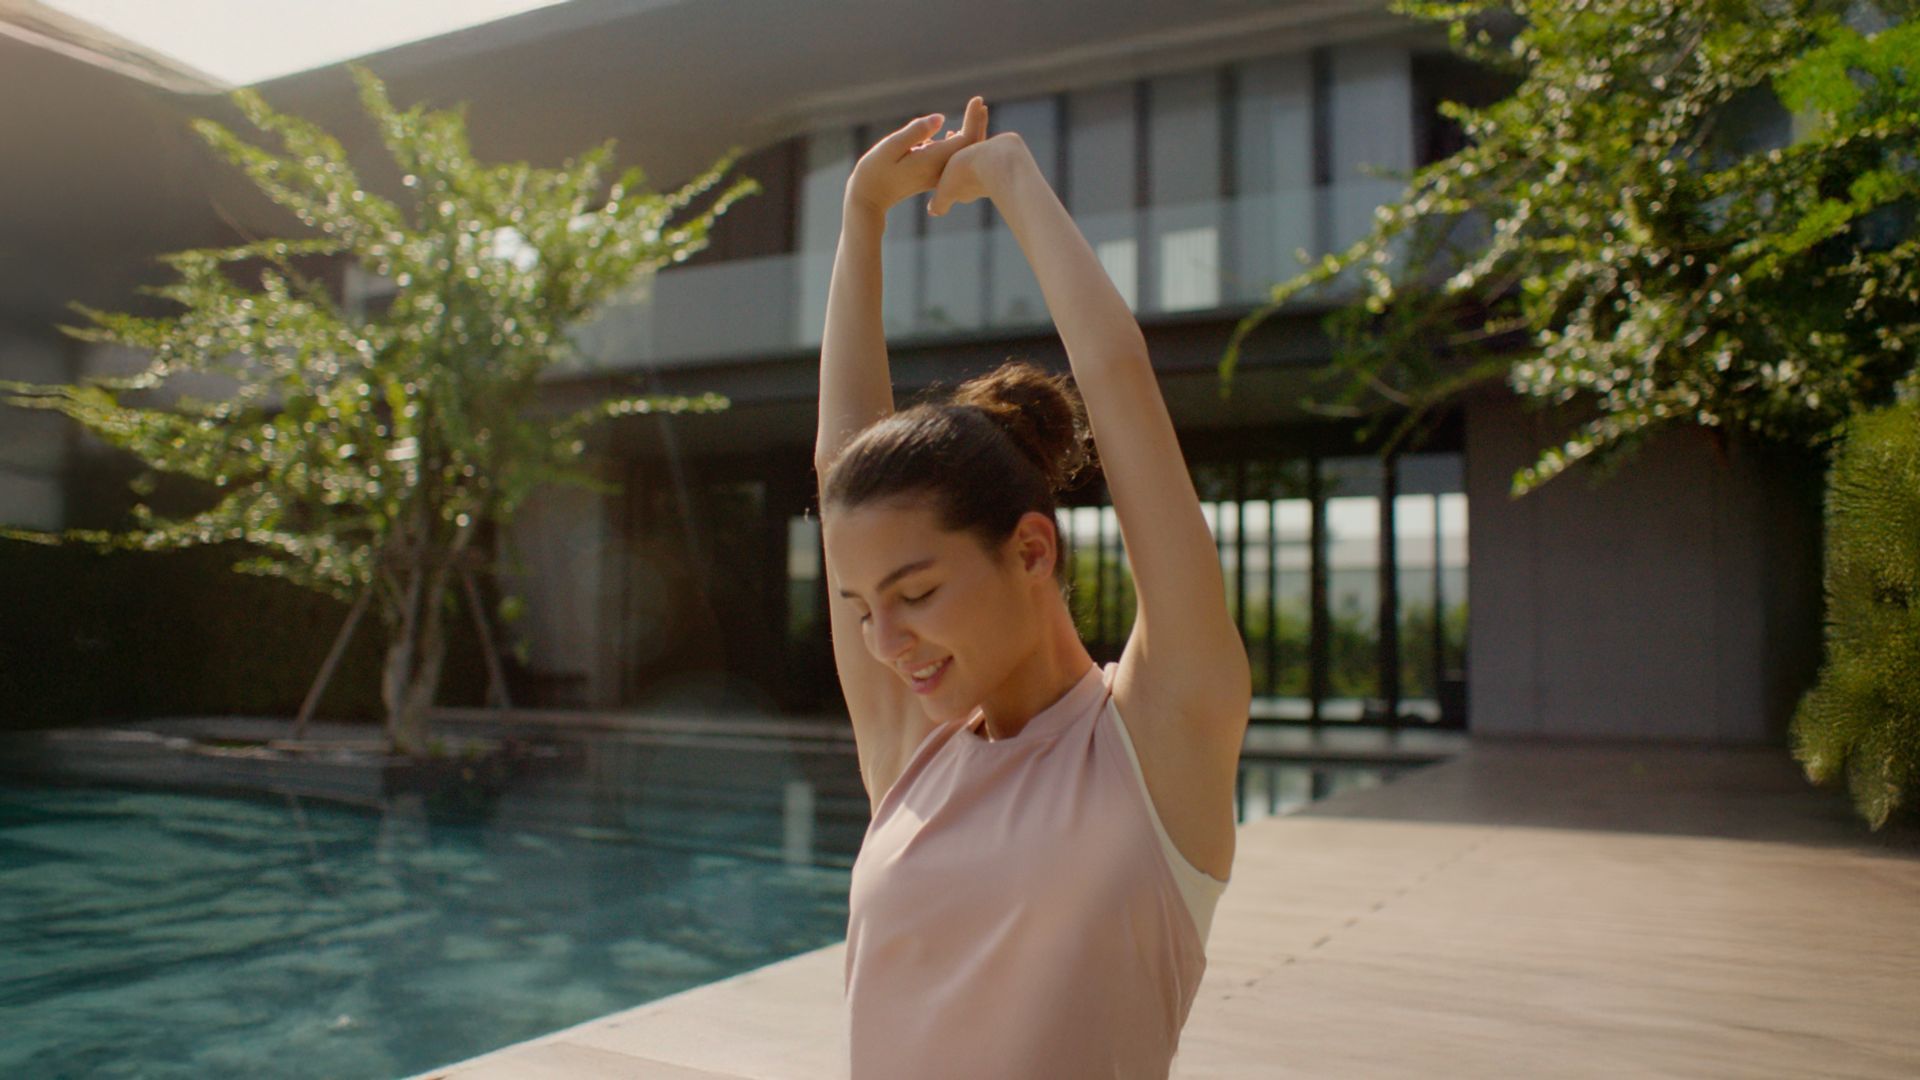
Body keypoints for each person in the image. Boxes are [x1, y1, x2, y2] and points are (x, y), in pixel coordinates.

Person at [814, 96, 1253, 1079]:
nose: (886, 643)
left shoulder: (1158, 739)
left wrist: (1013, 180)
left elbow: (1120, 385)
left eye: (917, 594)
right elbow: (839, 458)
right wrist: (860, 218)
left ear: (1031, 551)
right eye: (863, 607)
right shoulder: (913, 753)